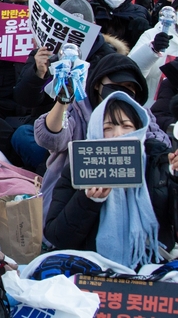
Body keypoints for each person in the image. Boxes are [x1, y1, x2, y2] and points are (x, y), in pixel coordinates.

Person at [44, 92, 178, 267]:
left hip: (152, 265)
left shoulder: (159, 164)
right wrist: (88, 200)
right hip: (93, 269)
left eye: (126, 126)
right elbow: (58, 236)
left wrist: (175, 179)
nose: (117, 134)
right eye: (108, 128)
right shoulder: (79, 170)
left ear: (140, 128)